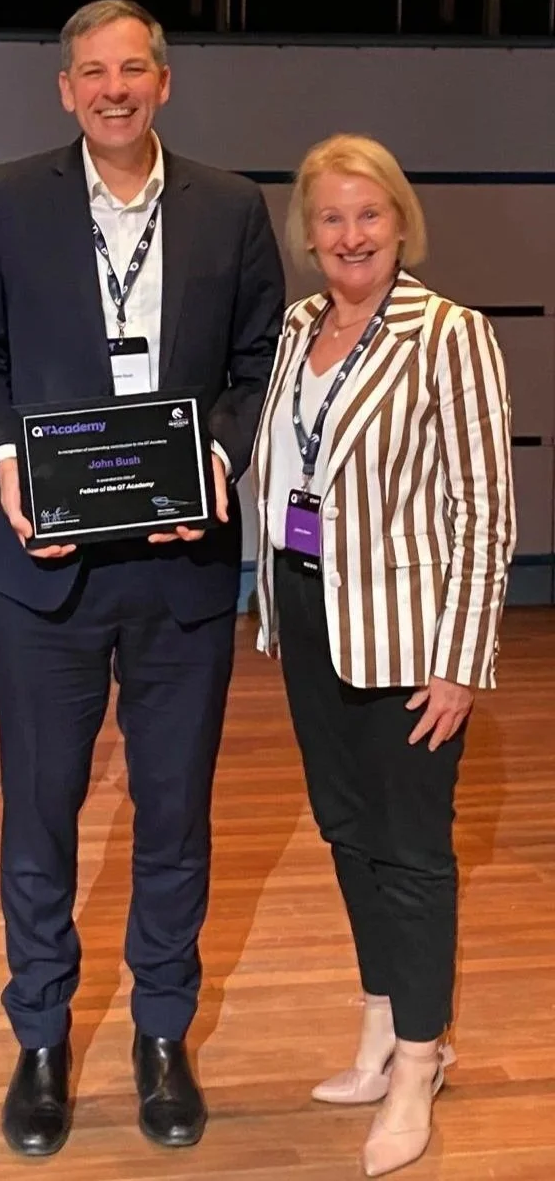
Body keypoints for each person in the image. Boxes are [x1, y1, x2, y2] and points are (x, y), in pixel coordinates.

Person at [0, 0, 284, 1156]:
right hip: (43, 574)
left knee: (175, 817)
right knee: (39, 817)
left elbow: (257, 364)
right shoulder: (5, 197)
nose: (112, 88)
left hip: (180, 571)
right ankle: (40, 1036)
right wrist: (3, 465)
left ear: (164, 81)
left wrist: (222, 453)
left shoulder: (233, 207)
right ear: (65, 90)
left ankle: (159, 1033)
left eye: (132, 68)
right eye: (91, 72)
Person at [251, 134, 515, 1177]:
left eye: (368, 215)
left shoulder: (448, 333)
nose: (350, 235)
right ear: (307, 237)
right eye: (330, 220)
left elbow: (483, 508)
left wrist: (458, 660)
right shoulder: (296, 326)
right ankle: (380, 1023)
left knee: (411, 851)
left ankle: (419, 1058)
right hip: (310, 619)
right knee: (347, 832)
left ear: (400, 222)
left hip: (410, 637)